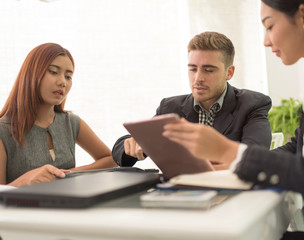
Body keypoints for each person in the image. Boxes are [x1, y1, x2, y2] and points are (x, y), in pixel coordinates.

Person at [163, 0, 304, 239]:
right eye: (192, 68)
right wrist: (235, 165)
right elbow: (296, 149)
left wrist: (231, 153)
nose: (266, 41)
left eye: (269, 26)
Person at [112, 31, 272, 168]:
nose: (198, 78)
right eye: (192, 69)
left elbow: (255, 156)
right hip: (181, 194)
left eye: (208, 70)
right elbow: (119, 149)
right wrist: (131, 146)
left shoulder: (252, 104)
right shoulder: (170, 108)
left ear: (229, 72)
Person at [0, 43, 117, 187]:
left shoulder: (72, 122)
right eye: (53, 72)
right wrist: (25, 180)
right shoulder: (3, 130)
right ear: (31, 74)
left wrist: (68, 174)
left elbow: (111, 159)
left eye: (68, 76)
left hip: (67, 208)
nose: (63, 82)